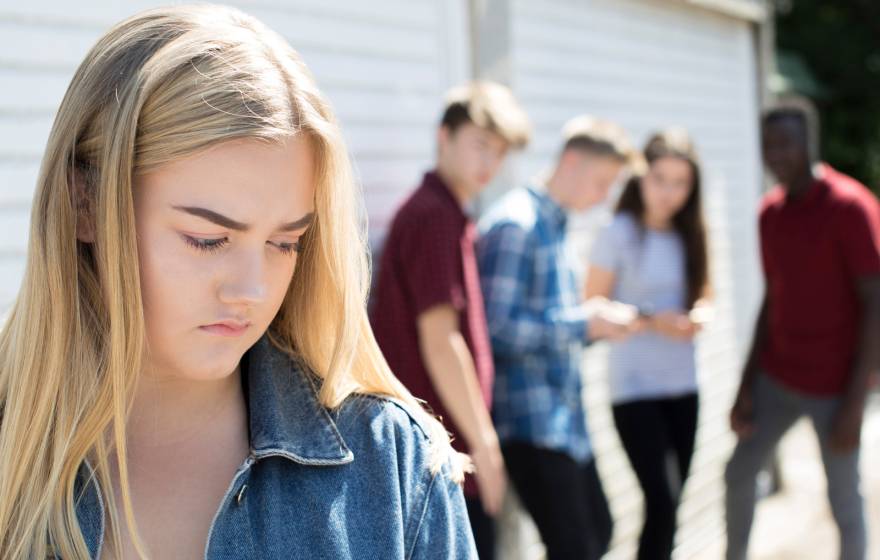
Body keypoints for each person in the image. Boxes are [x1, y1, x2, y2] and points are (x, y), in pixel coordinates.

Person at [0, 6, 475, 559]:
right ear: (84, 203)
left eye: (285, 243)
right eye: (207, 239)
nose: (254, 291)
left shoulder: (394, 467)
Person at [370, 81, 530, 559]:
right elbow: (441, 342)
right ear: (445, 136)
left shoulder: (449, 213)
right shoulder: (433, 216)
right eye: (480, 144)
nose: (489, 162)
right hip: (442, 452)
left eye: (499, 152)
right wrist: (485, 445)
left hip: (439, 448)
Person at [477, 116, 639, 560]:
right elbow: (496, 329)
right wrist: (584, 324)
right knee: (576, 547)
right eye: (602, 182)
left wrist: (598, 325)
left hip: (565, 420)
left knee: (600, 531)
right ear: (570, 161)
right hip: (530, 422)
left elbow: (551, 324)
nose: (604, 196)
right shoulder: (516, 224)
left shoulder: (557, 225)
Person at [725, 102, 880, 560]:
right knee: (738, 474)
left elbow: (875, 303)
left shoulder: (850, 207)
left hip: (835, 386)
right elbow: (772, 298)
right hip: (776, 378)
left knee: (843, 499)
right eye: (768, 145)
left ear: (809, 142)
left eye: (785, 143)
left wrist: (856, 401)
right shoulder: (770, 213)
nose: (775, 154)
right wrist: (745, 384)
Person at [585, 129, 711, 560]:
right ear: (641, 177)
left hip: (684, 385)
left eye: (680, 183)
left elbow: (706, 294)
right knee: (662, 501)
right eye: (660, 179)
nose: (668, 193)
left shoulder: (690, 232)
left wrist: (700, 316)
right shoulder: (617, 232)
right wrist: (655, 320)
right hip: (634, 389)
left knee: (671, 509)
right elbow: (592, 306)